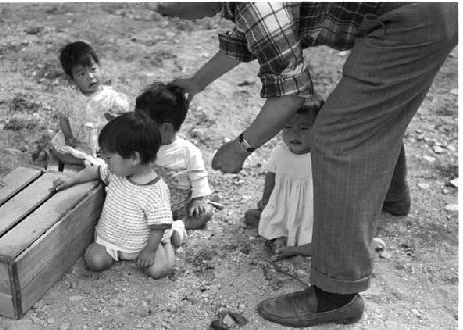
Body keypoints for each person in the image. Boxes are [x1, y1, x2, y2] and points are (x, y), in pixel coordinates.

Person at [155, 2, 457, 327]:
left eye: (165, 6)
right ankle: (392, 197)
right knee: (370, 115)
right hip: (425, 12)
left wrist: (242, 146)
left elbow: (292, 94)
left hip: (411, 18)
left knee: (338, 138)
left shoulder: (256, 4)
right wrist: (197, 82)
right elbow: (247, 40)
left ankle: (335, 296)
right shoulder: (246, 7)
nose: (165, 13)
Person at [52, 112, 186, 280]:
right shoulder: (116, 172)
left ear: (134, 158)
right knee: (94, 260)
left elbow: (158, 225)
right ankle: (120, 251)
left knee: (159, 270)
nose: (106, 162)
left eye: (109, 157)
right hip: (112, 238)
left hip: (145, 242)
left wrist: (150, 250)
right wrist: (72, 179)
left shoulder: (155, 191)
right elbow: (95, 171)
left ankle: (169, 240)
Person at [247, 95, 324, 259]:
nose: (294, 134)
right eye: (288, 127)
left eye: (304, 129)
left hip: (308, 212)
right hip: (284, 208)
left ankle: (294, 249)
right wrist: (266, 198)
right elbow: (272, 174)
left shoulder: (319, 157)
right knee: (251, 216)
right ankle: (279, 237)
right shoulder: (280, 152)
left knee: (320, 241)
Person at [135, 82, 214, 230]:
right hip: (149, 203)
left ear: (165, 128)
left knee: (206, 212)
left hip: (178, 207)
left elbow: (199, 178)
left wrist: (198, 199)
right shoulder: (141, 142)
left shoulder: (188, 152)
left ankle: (180, 225)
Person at [51, 40, 131, 169]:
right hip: (79, 142)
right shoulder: (69, 98)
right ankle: (83, 161)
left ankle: (97, 161)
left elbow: (124, 113)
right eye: (82, 74)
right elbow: (63, 118)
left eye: (93, 69)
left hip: (103, 144)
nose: (90, 76)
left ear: (99, 67)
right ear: (72, 79)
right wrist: (68, 136)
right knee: (57, 150)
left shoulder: (109, 95)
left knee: (118, 153)